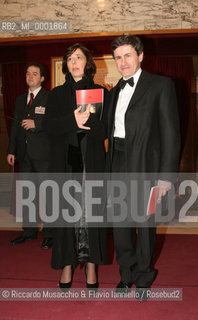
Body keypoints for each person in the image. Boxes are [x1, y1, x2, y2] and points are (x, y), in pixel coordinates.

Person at [107, 35, 180, 300]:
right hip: (117, 164)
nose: (123, 62)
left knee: (145, 226)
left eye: (127, 55)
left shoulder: (161, 85)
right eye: (118, 57)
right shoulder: (114, 91)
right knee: (121, 226)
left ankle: (144, 279)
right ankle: (126, 276)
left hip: (146, 168)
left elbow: (172, 135)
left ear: (140, 56)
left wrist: (166, 178)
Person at [44, 43, 108, 290]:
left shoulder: (102, 92)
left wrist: (89, 120)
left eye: (78, 57)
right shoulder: (57, 94)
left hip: (92, 162)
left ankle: (91, 265)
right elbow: (49, 127)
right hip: (65, 163)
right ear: (66, 65)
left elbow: (105, 131)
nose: (74, 62)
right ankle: (67, 265)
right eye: (69, 58)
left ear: (88, 62)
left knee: (92, 215)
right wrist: (73, 119)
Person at [7, 62, 53, 250]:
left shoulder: (50, 98)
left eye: (35, 74)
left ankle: (50, 234)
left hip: (44, 155)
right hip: (24, 155)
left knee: (47, 195)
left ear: (42, 78)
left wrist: (37, 124)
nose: (30, 76)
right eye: (28, 74)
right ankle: (28, 231)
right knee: (27, 194)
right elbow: (15, 127)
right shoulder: (19, 100)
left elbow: (54, 124)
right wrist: (11, 150)